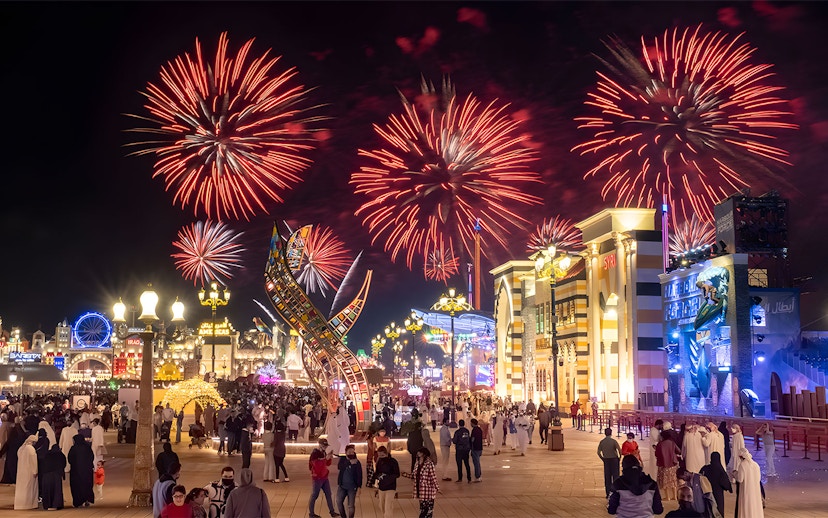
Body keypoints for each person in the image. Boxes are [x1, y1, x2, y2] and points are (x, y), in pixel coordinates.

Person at [402, 446, 440, 518]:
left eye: (419, 452)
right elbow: (414, 475)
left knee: (428, 511)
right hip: (420, 490)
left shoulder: (429, 463)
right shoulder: (417, 463)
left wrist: (437, 487)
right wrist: (405, 475)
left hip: (428, 490)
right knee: (422, 509)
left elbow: (433, 476)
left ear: (424, 454)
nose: (418, 453)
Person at [308, 438, 340, 518]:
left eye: (326, 446)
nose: (325, 447)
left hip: (324, 477)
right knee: (314, 495)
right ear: (320, 445)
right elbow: (316, 466)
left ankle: (332, 512)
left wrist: (329, 457)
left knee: (328, 494)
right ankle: (311, 514)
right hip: (317, 478)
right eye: (324, 445)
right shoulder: (315, 454)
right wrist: (326, 459)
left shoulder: (323, 452)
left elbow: (326, 464)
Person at [733, 447, 763, 518]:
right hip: (755, 491)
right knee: (755, 506)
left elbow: (740, 479)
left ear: (741, 457)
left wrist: (735, 474)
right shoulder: (756, 465)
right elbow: (758, 479)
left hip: (746, 490)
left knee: (746, 506)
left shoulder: (742, 465)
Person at [700, 451, 731, 518]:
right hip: (718, 495)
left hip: (707, 494)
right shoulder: (720, 470)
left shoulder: (705, 468)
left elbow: (699, 477)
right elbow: (726, 484)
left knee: (708, 510)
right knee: (718, 511)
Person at [68, 433, 96, 508]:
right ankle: (87, 500)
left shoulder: (73, 448)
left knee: (77, 486)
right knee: (86, 485)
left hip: (76, 471)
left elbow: (70, 459)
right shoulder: (87, 447)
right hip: (87, 471)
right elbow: (91, 457)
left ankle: (78, 502)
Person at [336, 444, 363, 518]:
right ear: (345, 452)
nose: (351, 453)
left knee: (351, 505)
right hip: (342, 486)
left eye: (352, 452)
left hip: (352, 487)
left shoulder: (357, 462)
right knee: (338, 501)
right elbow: (340, 467)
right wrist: (349, 462)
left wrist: (359, 487)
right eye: (349, 451)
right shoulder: (343, 459)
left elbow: (359, 475)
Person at [373, 446, 400, 518]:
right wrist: (378, 476)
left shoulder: (393, 461)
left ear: (386, 454)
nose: (381, 457)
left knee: (388, 506)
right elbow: (376, 472)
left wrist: (388, 477)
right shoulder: (379, 461)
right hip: (381, 486)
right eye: (379, 455)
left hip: (391, 486)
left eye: (382, 455)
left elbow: (397, 474)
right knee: (381, 505)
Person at [14, 434, 38, 510]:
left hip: (21, 471)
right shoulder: (31, 449)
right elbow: (33, 461)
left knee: (22, 488)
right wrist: (35, 471)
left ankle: (20, 504)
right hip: (29, 472)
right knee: (29, 488)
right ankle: (29, 504)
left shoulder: (21, 448)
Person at [656, 430, 681, 501]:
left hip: (663, 464)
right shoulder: (672, 443)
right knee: (673, 480)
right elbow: (678, 451)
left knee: (665, 481)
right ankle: (675, 496)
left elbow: (657, 454)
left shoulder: (660, 444)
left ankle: (667, 497)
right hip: (673, 464)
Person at [41, 443, 67, 510]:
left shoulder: (47, 454)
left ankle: (47, 505)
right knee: (56, 491)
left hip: (46, 475)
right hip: (56, 475)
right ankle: (56, 504)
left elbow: (43, 464)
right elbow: (64, 464)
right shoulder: (60, 455)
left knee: (47, 490)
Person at [598, 427, 622, 497]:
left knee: (607, 477)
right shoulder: (614, 441)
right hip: (614, 460)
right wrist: (619, 458)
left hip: (606, 460)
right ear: (611, 433)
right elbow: (619, 450)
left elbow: (598, 452)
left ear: (605, 433)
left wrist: (603, 458)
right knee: (616, 476)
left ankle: (608, 493)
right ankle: (616, 492)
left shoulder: (602, 442)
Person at [452, 419, 472, 483]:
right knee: (467, 464)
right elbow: (469, 439)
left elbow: (455, 441)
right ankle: (469, 478)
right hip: (466, 449)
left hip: (459, 449)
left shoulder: (457, 432)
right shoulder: (467, 431)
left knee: (459, 464)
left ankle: (460, 478)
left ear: (459, 424)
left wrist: (452, 440)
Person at [470, 418, 484, 482]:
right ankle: (479, 475)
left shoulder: (474, 430)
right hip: (480, 448)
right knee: (478, 462)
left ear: (473, 423)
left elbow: (472, 439)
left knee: (476, 463)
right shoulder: (480, 429)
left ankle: (477, 476)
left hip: (475, 448)